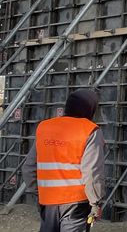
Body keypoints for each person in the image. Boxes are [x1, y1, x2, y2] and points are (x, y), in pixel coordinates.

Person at [22, 88, 105, 232]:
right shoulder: (90, 130)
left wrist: (39, 194)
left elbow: (28, 168)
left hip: (48, 202)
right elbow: (92, 172)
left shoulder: (44, 127)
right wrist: (96, 203)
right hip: (76, 203)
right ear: (90, 109)